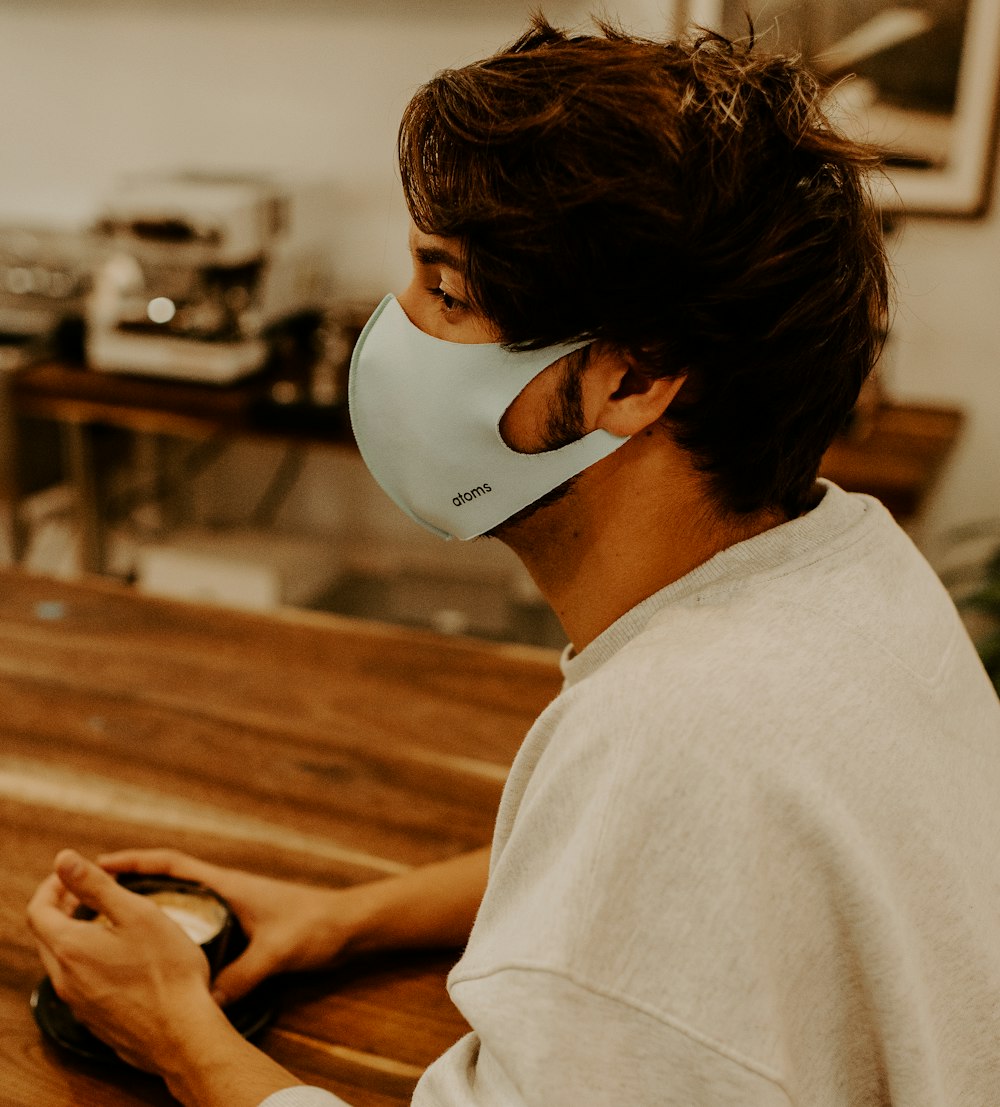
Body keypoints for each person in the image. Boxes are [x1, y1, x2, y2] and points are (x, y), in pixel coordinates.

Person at [28, 15, 1000, 1107]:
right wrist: (341, 918)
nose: (390, 333)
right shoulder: (849, 570)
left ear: (632, 381)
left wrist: (176, 1034)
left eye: (446, 293)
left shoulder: (679, 740)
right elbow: (651, 881)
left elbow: (665, 827)